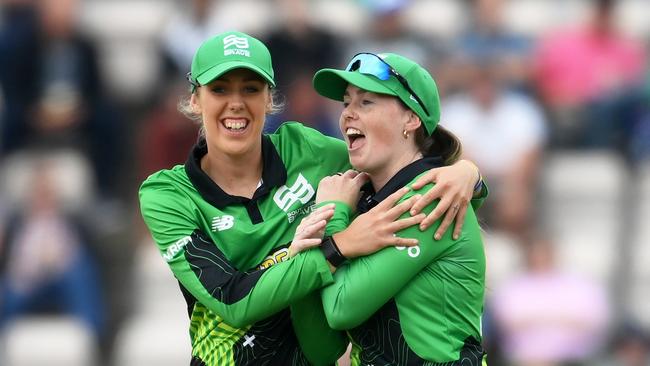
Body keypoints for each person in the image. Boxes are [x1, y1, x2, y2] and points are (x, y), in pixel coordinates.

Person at [139, 31, 486, 365]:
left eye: (250, 88)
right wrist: (335, 247)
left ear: (268, 99)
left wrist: (468, 174)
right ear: (196, 100)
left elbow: (401, 169)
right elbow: (231, 300)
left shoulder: (309, 152)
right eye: (218, 89)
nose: (236, 104)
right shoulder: (169, 194)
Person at [292, 52, 487, 364]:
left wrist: (330, 214)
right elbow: (322, 349)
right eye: (346, 103)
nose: (347, 115)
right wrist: (304, 259)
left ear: (411, 118)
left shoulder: (430, 197)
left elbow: (342, 307)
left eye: (366, 102)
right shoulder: (363, 202)